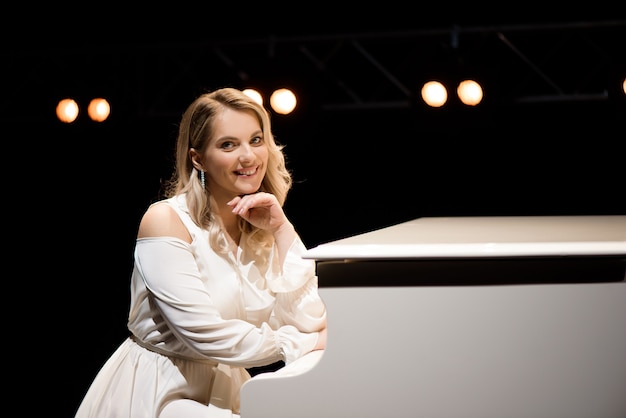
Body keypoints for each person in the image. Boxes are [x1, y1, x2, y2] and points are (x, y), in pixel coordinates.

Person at [75, 87, 327, 417]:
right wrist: (293, 344)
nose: (248, 156)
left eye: (255, 140)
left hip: (224, 390)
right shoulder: (165, 220)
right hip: (159, 391)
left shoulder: (260, 226)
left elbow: (310, 319)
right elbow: (205, 334)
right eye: (228, 145)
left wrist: (281, 230)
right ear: (198, 158)